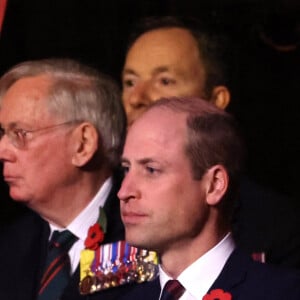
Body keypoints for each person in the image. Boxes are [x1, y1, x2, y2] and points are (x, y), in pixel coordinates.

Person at [121, 15, 300, 269]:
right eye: (130, 82)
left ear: (216, 100)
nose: (136, 97)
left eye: (164, 81)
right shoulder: (112, 207)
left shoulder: (275, 227)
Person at [117, 96, 300, 300]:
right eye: (126, 169)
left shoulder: (283, 294)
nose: (124, 192)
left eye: (151, 170)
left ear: (214, 185)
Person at [0, 58, 140, 300]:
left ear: (82, 144)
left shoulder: (146, 236)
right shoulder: (10, 244)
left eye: (20, 134)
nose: (2, 151)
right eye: (3, 133)